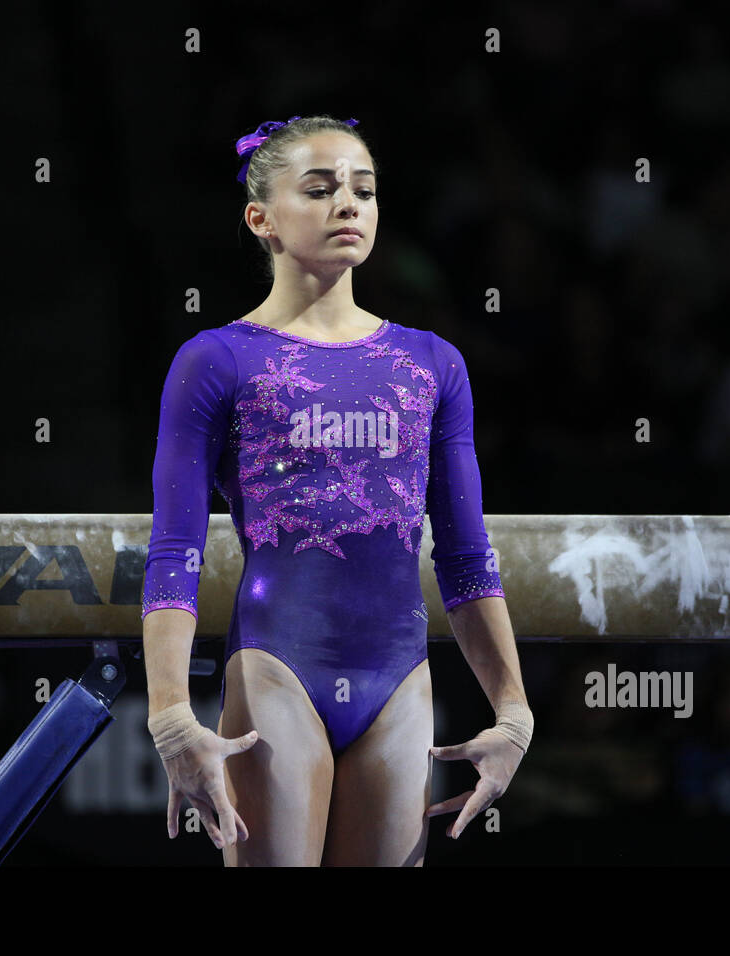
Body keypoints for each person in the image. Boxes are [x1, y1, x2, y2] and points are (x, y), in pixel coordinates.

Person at [141, 115, 532, 865]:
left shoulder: (431, 364)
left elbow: (465, 553)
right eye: (318, 190)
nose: (347, 204)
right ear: (262, 219)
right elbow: (175, 553)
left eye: (363, 190)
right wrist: (168, 716)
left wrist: (513, 711)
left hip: (399, 677)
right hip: (278, 672)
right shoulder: (216, 360)